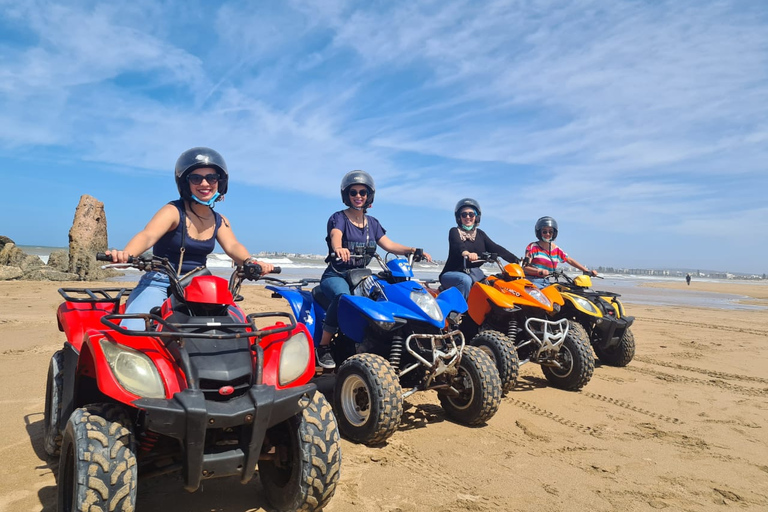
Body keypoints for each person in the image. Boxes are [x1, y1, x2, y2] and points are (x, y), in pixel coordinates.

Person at [106, 147, 273, 329]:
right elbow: (148, 236)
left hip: (200, 285)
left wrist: (251, 262)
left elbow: (233, 246)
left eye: (211, 178)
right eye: (196, 178)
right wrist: (126, 255)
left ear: (220, 182)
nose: (204, 183)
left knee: (238, 328)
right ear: (185, 183)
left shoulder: (220, 220)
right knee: (134, 330)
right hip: (160, 282)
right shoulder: (173, 212)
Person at [315, 170, 432, 368]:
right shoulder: (338, 218)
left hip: (360, 276)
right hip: (337, 274)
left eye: (363, 192)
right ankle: (323, 347)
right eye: (354, 192)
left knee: (386, 294)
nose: (358, 196)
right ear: (346, 195)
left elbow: (389, 245)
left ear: (369, 196)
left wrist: (411, 250)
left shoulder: (373, 223)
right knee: (342, 297)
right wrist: (338, 248)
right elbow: (336, 235)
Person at [439, 198, 520, 300]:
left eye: (471, 214)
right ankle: (460, 312)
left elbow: (495, 248)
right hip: (452, 273)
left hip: (474, 273)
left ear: (476, 217)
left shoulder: (480, 234)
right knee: (465, 280)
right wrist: (467, 253)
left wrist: (516, 260)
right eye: (464, 214)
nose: (468, 217)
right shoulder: (454, 231)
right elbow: (458, 245)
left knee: (493, 282)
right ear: (459, 217)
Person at [523, 216, 596, 288]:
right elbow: (525, 267)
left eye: (550, 232)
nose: (548, 234)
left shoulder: (557, 250)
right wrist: (539, 271)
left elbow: (569, 260)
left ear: (554, 233)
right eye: (544, 231)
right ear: (539, 232)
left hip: (546, 282)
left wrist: (586, 270)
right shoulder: (533, 247)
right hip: (533, 282)